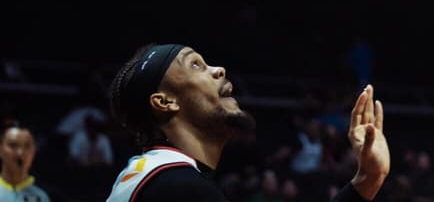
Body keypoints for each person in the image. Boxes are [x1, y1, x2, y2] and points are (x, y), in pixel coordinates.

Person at [104, 43, 390, 202]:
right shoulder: (179, 188)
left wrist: (368, 177)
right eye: (196, 65)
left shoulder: (150, 175)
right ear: (165, 102)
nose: (219, 70)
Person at [0, 120, 67, 202]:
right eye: (13, 146)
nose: (20, 153)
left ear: (34, 151)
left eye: (27, 146)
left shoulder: (51, 196)